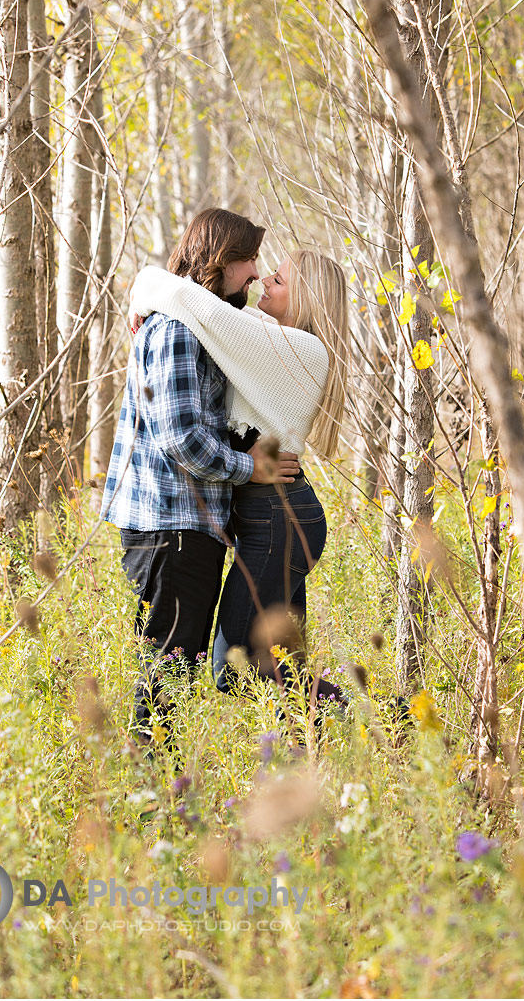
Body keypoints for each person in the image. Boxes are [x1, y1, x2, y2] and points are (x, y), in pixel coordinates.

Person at [100, 208, 300, 751]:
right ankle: (153, 807)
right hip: (172, 528)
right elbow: (181, 438)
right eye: (248, 261)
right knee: (169, 670)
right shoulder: (177, 331)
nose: (256, 274)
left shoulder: (198, 322)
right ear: (220, 261)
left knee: (176, 670)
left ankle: (163, 799)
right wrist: (251, 467)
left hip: (188, 526)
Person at [129, 247, 350, 707]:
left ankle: (385, 726)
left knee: (236, 668)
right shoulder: (272, 342)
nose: (266, 280)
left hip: (278, 518)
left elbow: (189, 301)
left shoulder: (300, 350)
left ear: (306, 298)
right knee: (280, 667)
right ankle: (340, 755)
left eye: (280, 280)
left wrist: (142, 292)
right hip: (275, 517)